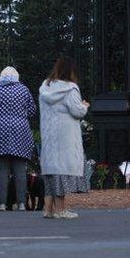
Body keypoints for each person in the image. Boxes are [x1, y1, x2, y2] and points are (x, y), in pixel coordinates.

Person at [39, 56, 90, 220]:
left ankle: (48, 209)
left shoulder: (45, 86)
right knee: (61, 172)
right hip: (65, 137)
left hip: (49, 135)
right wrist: (84, 106)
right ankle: (61, 210)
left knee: (51, 174)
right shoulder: (70, 88)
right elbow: (77, 112)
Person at [0, 66, 37, 211]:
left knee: (1, 170)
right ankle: (22, 203)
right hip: (20, 131)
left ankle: (1, 203)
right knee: (20, 170)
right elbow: (32, 111)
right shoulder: (24, 90)